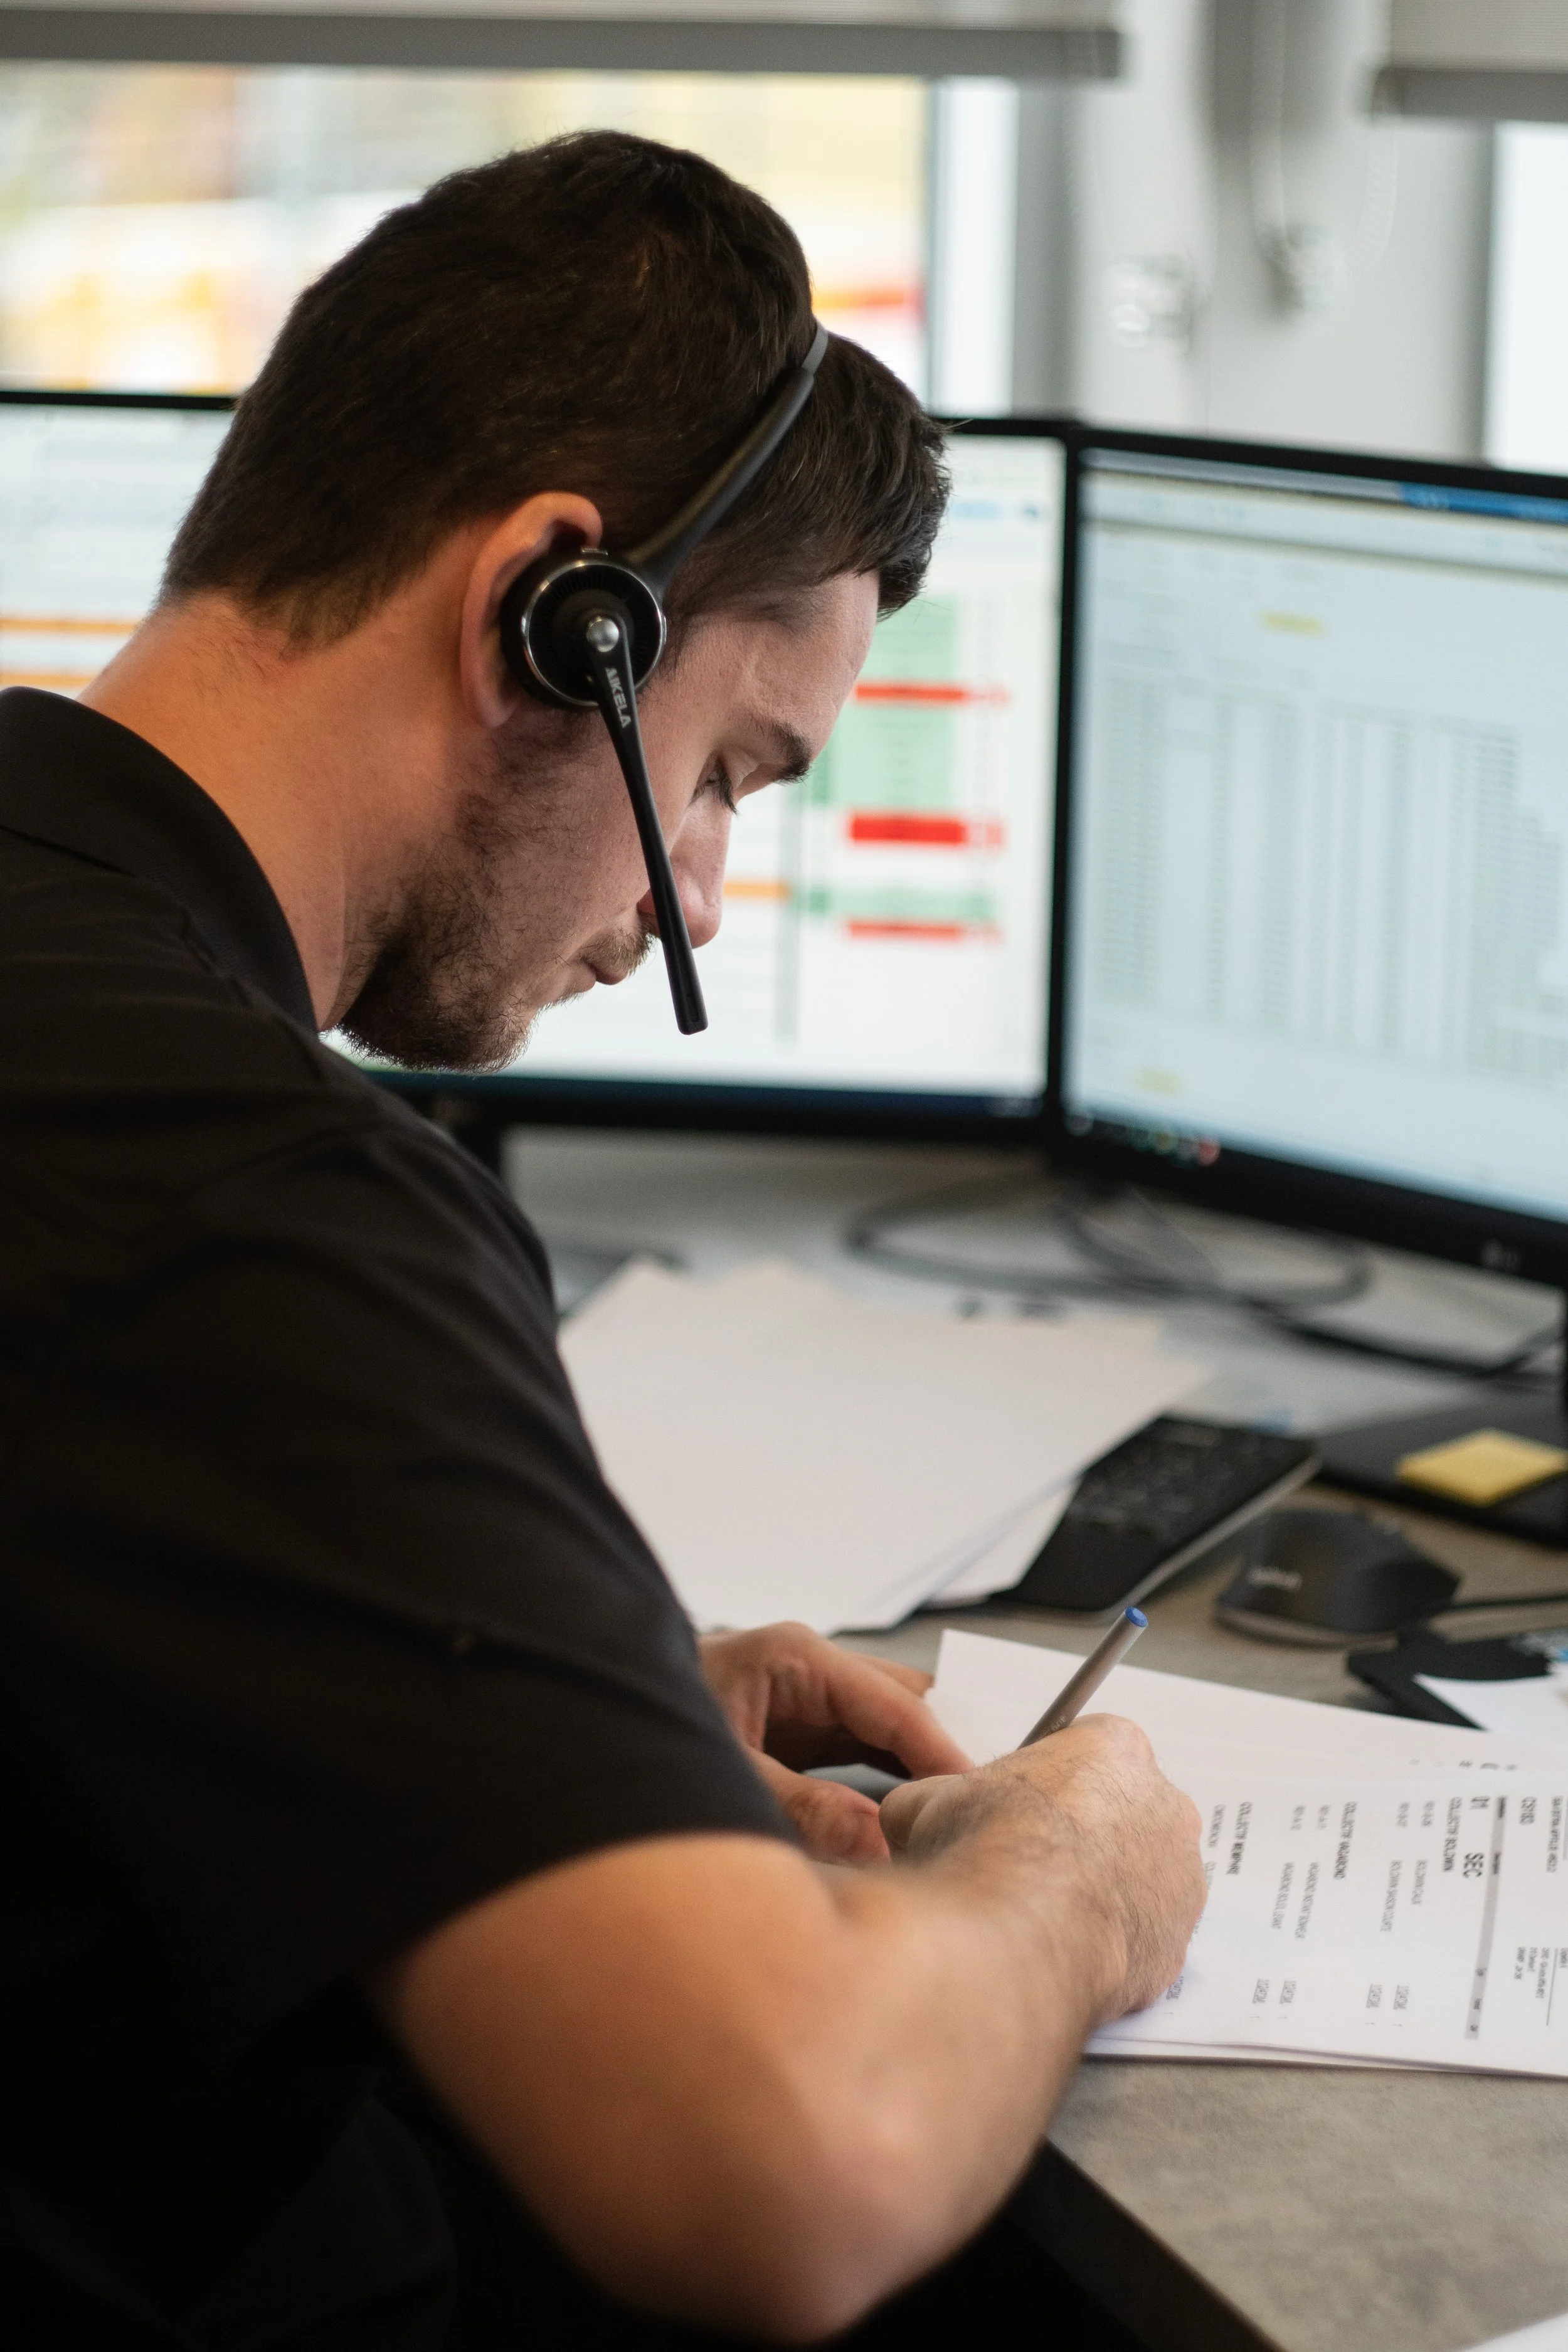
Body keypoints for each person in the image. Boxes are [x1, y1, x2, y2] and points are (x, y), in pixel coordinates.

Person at [0, 130, 1205, 2349]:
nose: (699, 896)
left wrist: (548, 1729)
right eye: (733, 768)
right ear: (560, 617)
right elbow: (783, 2172)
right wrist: (1080, 1876)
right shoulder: (257, 1198)